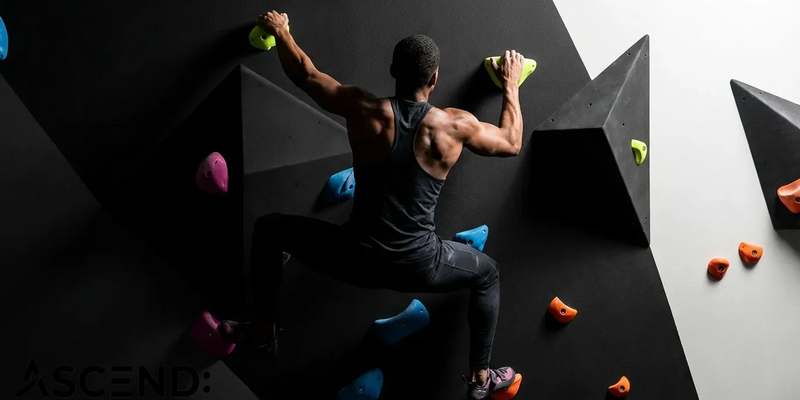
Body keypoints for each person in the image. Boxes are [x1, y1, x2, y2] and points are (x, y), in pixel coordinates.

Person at [220, 10, 525, 400]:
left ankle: (263, 333)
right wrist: (510, 85)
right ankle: (481, 381)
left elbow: (306, 75)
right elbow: (511, 142)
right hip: (420, 266)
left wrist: (281, 32)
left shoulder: (362, 109)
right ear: (434, 78)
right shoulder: (455, 125)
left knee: (269, 228)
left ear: (393, 70)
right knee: (488, 275)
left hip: (354, 258)